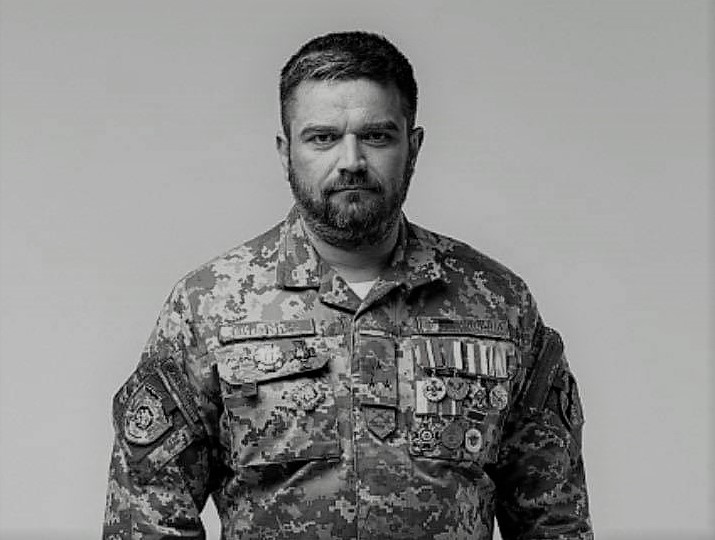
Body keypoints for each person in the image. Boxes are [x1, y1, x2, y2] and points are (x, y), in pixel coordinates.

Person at [103, 31, 593, 540]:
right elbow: (146, 519)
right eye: (323, 138)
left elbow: (554, 521)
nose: (351, 161)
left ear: (413, 147)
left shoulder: (499, 303)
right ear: (285, 152)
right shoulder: (209, 306)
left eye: (376, 136)